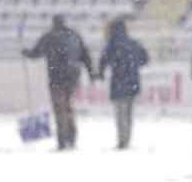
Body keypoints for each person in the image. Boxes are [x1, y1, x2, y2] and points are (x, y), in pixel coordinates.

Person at [22, 15, 95, 150]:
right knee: (68, 106)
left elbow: (35, 53)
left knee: (59, 109)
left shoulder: (49, 37)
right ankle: (71, 137)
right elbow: (85, 55)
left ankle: (62, 140)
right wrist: (91, 74)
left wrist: (25, 52)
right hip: (72, 77)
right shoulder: (74, 35)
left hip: (56, 77)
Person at [97, 18, 149, 149]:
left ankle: (122, 140)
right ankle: (127, 138)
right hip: (133, 83)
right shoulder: (134, 44)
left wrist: (101, 74)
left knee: (120, 114)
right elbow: (145, 59)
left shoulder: (112, 45)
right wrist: (134, 65)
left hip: (118, 83)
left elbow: (103, 62)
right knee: (129, 113)